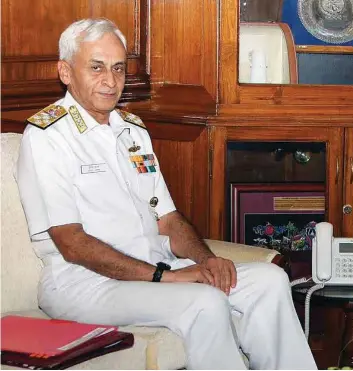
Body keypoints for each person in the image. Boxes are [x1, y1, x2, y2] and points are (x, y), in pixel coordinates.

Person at [15, 18, 317, 370]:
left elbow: (168, 220)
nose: (110, 81)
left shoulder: (132, 131)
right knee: (204, 301)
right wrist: (166, 278)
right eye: (95, 68)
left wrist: (205, 261)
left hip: (154, 269)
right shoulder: (47, 136)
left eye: (117, 68)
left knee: (269, 280)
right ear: (65, 72)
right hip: (84, 284)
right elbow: (72, 243)